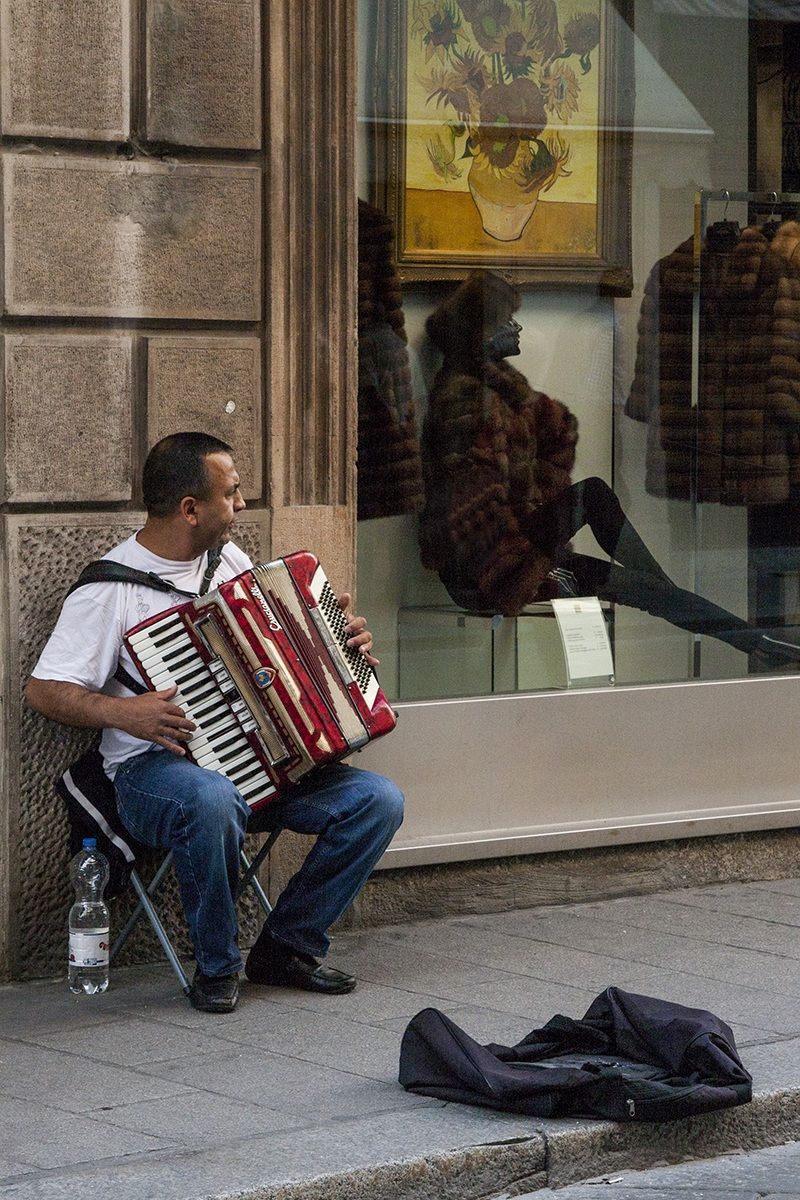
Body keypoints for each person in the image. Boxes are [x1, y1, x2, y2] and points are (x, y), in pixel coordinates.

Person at [26, 432, 404, 1014]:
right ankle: (216, 965)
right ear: (190, 509)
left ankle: (286, 948)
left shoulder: (227, 560)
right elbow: (44, 691)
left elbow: (277, 650)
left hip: (259, 763)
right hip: (151, 775)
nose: (243, 505)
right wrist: (125, 712)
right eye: (232, 494)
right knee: (211, 798)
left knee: (377, 800)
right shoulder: (109, 591)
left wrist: (340, 643)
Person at [419, 271, 800, 664]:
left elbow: (555, 438)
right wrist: (522, 572)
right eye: (506, 321)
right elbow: (467, 515)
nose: (517, 327)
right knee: (595, 499)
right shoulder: (465, 398)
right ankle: (707, 613)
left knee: (639, 584)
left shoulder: (501, 391)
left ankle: (760, 644)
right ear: (483, 333)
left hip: (519, 556)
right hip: (488, 574)